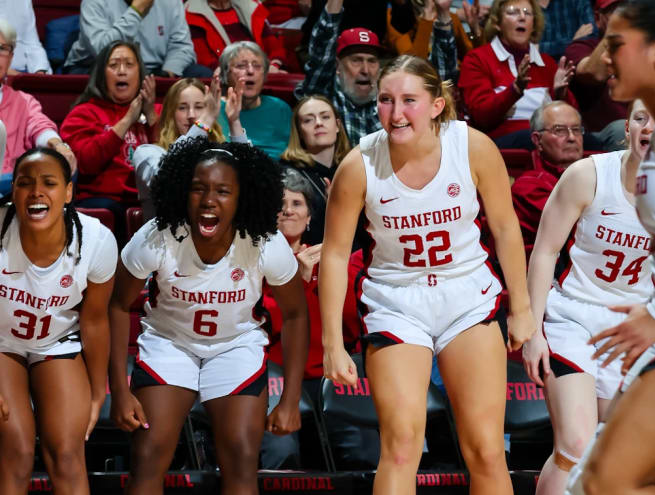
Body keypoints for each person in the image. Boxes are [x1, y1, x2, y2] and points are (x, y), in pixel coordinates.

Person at [320, 54, 534, 495]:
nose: (396, 114)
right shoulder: (358, 165)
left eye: (409, 100)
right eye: (385, 100)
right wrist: (332, 344)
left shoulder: (471, 146)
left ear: (437, 104)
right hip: (397, 300)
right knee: (400, 448)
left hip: (466, 292)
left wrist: (523, 309)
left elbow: (506, 228)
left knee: (487, 450)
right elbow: (336, 256)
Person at [108, 139, 308, 494]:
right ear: (183, 191)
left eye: (223, 191)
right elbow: (117, 305)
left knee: (243, 458)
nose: (209, 200)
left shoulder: (265, 242)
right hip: (170, 344)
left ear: (241, 197)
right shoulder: (157, 237)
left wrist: (290, 399)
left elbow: (295, 315)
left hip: (236, 345)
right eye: (198, 189)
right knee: (149, 455)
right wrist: (120, 392)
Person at [522, 98, 655, 495]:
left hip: (634, 327)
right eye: (639, 119)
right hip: (574, 316)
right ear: (626, 126)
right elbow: (544, 251)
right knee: (574, 445)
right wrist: (533, 332)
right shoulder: (588, 175)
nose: (648, 129)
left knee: (620, 456)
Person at [561, 2, 655, 494]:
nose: (602, 60)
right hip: (637, 326)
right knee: (603, 476)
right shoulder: (645, 146)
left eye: (616, 47)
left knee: (608, 477)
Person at [0, 147, 117, 494]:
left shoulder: (96, 241)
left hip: (56, 341)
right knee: (17, 450)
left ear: (68, 192)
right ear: (15, 192)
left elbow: (95, 321)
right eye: (26, 183)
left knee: (66, 455)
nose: (36, 191)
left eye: (49, 183)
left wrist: (99, 393)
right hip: (2, 344)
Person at [261, 167, 374, 469]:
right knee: (280, 453)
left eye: (297, 204)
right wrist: (296, 284)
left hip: (333, 377)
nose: (287, 211)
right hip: (278, 380)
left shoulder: (333, 263)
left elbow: (351, 326)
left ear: (311, 217)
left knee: (367, 453)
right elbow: (263, 328)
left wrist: (325, 279)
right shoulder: (255, 266)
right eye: (280, 205)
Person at [60, 41, 158, 235]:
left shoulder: (156, 114)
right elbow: (87, 162)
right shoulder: (84, 113)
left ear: (141, 74)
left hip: (147, 198)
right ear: (101, 75)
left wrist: (151, 116)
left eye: (129, 65)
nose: (122, 71)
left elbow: (171, 160)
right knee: (113, 209)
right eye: (114, 65)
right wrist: (128, 119)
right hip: (103, 198)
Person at [458, 0, 577, 149]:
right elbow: (481, 116)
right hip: (501, 141)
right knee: (535, 138)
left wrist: (561, 96)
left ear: (533, 25)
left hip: (549, 137)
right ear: (497, 23)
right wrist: (514, 89)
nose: (522, 17)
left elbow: (574, 121)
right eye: (513, 12)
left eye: (527, 13)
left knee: (591, 141)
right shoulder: (477, 59)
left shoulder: (548, 63)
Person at [133, 77, 247, 221]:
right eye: (182, 107)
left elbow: (252, 178)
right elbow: (168, 178)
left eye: (199, 107)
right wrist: (205, 119)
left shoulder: (220, 155)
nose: (191, 115)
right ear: (170, 113)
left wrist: (234, 122)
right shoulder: (147, 153)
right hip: (167, 240)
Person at [295, 0, 385, 147]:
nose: (365, 70)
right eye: (356, 60)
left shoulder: (389, 103)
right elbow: (321, 51)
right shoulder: (322, 96)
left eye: (372, 61)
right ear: (337, 66)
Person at [0, 19, 75, 194]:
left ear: (11, 57)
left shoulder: (24, 102)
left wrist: (58, 145)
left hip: (15, 190)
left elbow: (41, 128)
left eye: (2, 49)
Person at [510, 101, 584, 258]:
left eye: (576, 130)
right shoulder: (528, 186)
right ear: (537, 140)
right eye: (560, 130)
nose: (572, 137)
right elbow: (584, 229)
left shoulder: (595, 173)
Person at [63, 0, 208, 77]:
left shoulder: (170, 2)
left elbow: (182, 47)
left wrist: (168, 72)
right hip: (98, 67)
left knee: (201, 74)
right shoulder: (94, 2)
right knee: (119, 78)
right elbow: (103, 50)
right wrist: (136, 12)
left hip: (155, 70)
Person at [280, 95, 351, 245]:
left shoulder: (354, 169)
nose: (319, 123)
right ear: (299, 131)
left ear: (337, 125)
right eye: (308, 120)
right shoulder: (287, 173)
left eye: (325, 117)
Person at [564, 0, 627, 151]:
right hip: (602, 134)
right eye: (616, 11)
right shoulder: (580, 48)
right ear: (598, 18)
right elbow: (594, 73)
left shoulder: (644, 49)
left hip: (643, 127)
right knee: (622, 129)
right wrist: (615, 30)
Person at [216, 41, 291, 161]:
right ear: (225, 74)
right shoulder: (214, 110)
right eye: (241, 66)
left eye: (257, 66)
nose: (250, 71)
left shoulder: (280, 108)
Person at [184, 0, 287, 72]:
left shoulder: (251, 7)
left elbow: (275, 48)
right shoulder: (192, 13)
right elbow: (205, 60)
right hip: (224, 76)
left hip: (261, 71)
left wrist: (274, 65)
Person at [0, 4, 51, 74]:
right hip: (8, 73)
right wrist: (18, 76)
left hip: (24, 72)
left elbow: (32, 42)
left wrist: (40, 71)